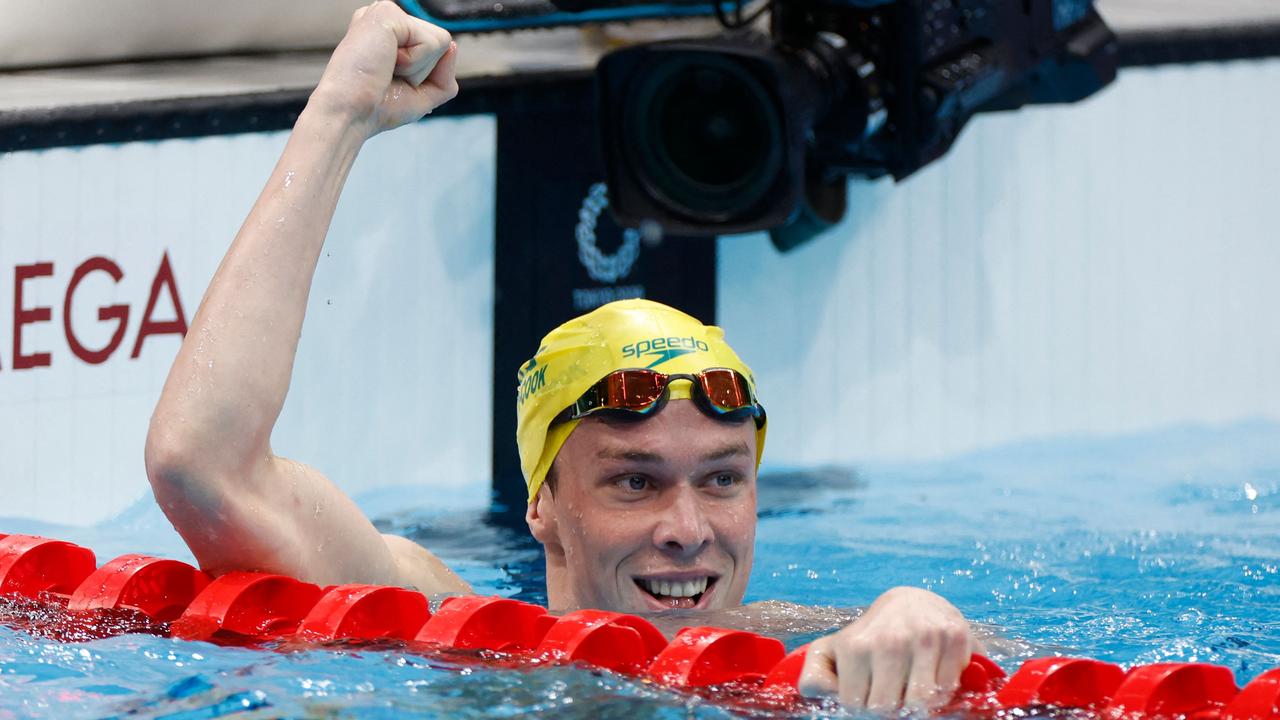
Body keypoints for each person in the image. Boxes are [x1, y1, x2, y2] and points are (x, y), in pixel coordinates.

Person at [144, 1, 978, 711]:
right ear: (541, 504)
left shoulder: (813, 643)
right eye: (634, 481)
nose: (689, 533)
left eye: (722, 478)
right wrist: (338, 118)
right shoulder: (447, 635)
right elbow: (202, 465)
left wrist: (921, 618)